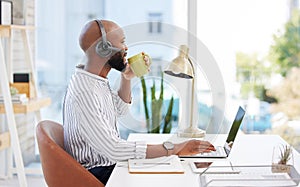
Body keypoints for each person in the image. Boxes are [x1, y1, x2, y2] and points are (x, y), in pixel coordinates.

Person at [63, 19, 216, 185]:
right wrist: (174, 148)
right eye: (122, 42)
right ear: (103, 48)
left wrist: (126, 77)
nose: (126, 48)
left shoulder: (95, 80)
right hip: (98, 173)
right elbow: (113, 150)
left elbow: (120, 111)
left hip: (108, 166)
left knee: (174, 168)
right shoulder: (85, 91)